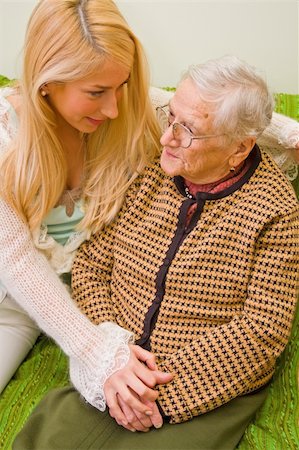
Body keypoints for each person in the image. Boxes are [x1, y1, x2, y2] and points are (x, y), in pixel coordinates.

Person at [13, 55, 299, 450]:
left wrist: (156, 392)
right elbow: (91, 266)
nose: (166, 138)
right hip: (114, 363)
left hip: (203, 386)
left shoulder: (275, 210)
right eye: (171, 118)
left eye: (188, 130)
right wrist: (111, 355)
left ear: (240, 148)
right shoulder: (148, 170)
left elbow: (262, 330)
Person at [0, 0, 174, 426]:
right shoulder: (6, 135)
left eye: (120, 86)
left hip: (23, 312)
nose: (113, 107)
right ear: (47, 82)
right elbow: (16, 258)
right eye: (96, 93)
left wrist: (290, 132)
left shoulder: (126, 109)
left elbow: (202, 112)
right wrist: (94, 350)